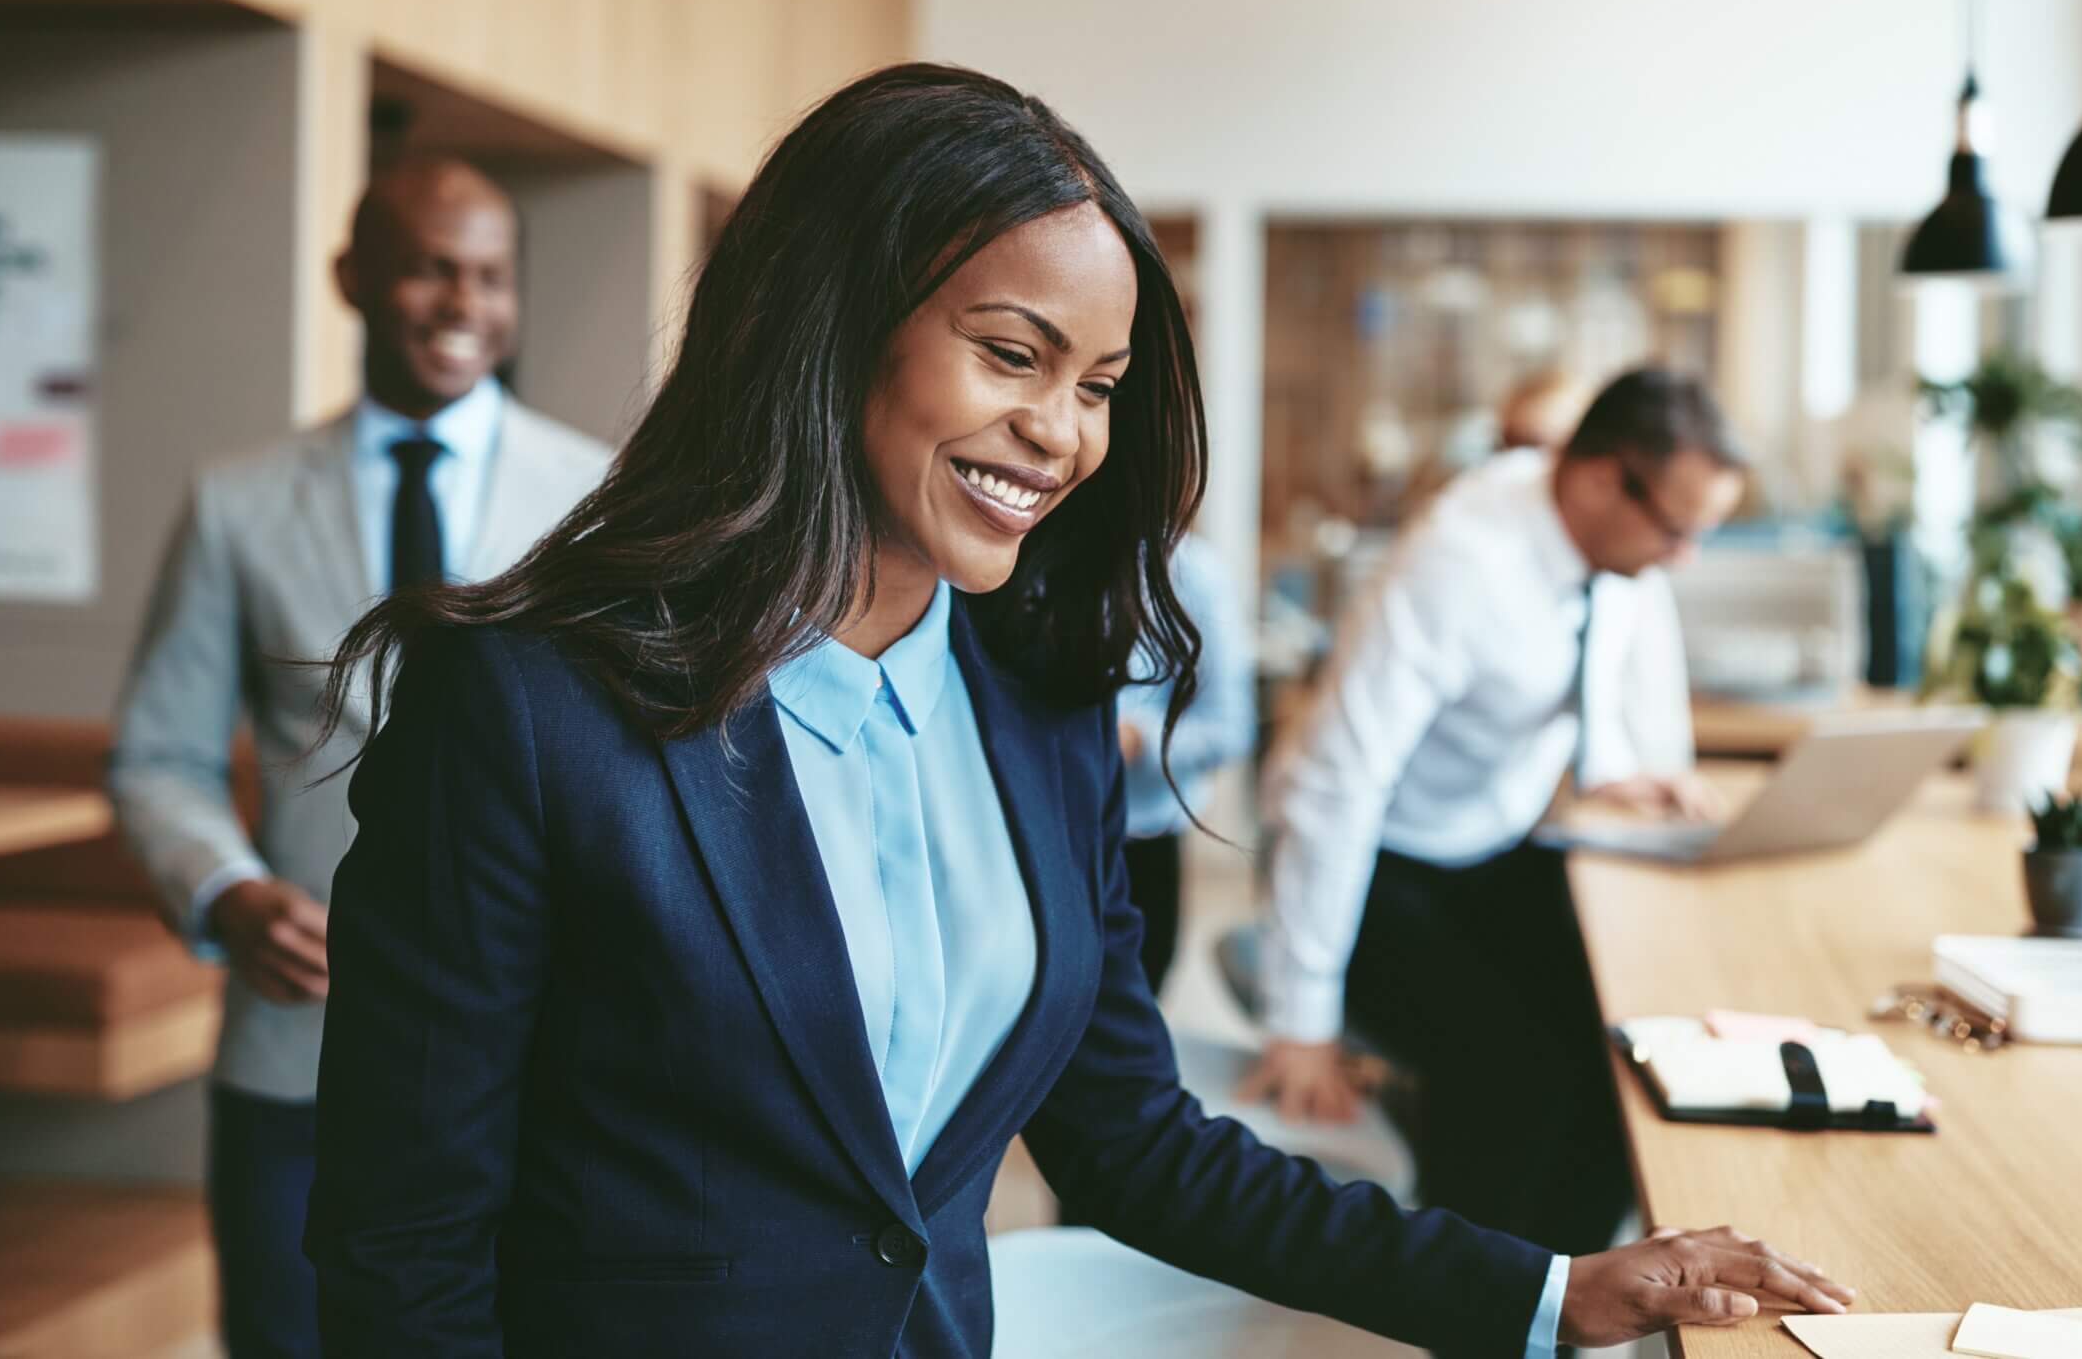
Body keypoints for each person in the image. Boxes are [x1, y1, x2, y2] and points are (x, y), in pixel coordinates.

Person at [303, 67, 1851, 1358]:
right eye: (1012, 353)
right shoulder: (521, 708)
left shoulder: (1041, 715)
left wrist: (1542, 1287)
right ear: (832, 326)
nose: (1059, 434)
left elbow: (1135, 1142)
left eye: (1099, 381)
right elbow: (403, 1253)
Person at [107, 158, 612, 1359]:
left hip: (546, 1060)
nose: (461, 304)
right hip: (298, 1058)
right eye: (431, 268)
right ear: (353, 278)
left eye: (491, 277)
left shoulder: (599, 498)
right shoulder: (235, 503)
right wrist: (224, 894)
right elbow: (157, 755)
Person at [1241, 367, 1744, 1261]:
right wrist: (1302, 1017)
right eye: (1677, 531)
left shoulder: (1604, 546)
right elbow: (1337, 783)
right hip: (1374, 857)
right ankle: (1475, 1314)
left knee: (1620, 1031)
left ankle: (1566, 1293)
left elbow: (1602, 661)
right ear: (1599, 478)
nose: (1684, 557)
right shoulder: (1461, 565)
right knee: (1513, 1072)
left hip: (1485, 840)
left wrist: (1621, 768)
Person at [1116, 533, 1254, 993]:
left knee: (1137, 995)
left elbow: (1230, 729)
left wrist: (1135, 737)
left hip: (1142, 841)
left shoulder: (1194, 576)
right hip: (1044, 832)